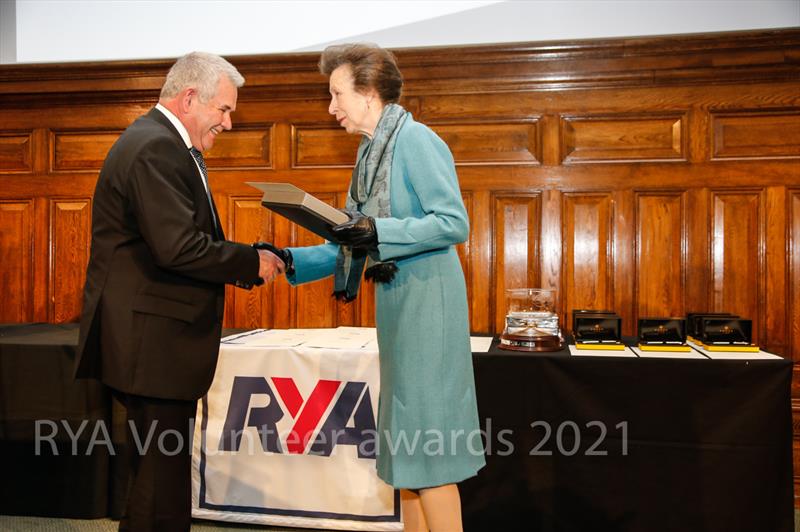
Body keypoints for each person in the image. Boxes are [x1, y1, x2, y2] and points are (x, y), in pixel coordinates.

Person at [271, 43, 485, 532]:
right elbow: (351, 238)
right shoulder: (369, 154)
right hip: (397, 303)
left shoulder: (417, 140)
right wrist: (287, 260)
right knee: (406, 452)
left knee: (430, 450)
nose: (332, 109)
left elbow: (453, 223)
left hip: (429, 303)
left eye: (337, 94)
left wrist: (378, 232)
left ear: (368, 93)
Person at [74, 51, 285, 532]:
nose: (228, 123)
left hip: (152, 343)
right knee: (159, 487)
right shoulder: (155, 148)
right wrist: (250, 261)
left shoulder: (158, 142)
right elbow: (179, 248)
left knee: (156, 480)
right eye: (224, 110)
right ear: (190, 97)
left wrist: (243, 256)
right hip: (153, 345)